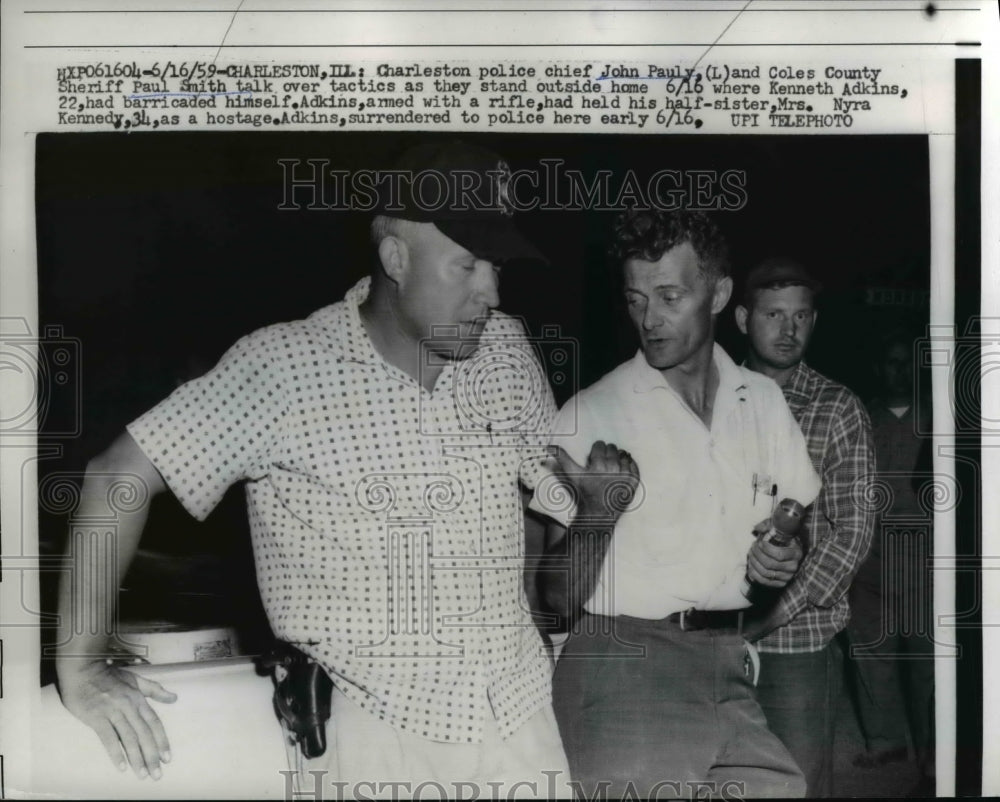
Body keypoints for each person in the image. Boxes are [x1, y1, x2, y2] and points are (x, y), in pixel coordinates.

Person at [54, 141, 572, 798]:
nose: (491, 292)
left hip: (523, 721)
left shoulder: (506, 351)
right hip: (380, 736)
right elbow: (115, 478)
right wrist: (81, 666)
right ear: (396, 259)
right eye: (467, 265)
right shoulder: (285, 369)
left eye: (496, 266)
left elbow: (537, 513)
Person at [531, 209, 821, 799]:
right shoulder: (592, 413)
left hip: (730, 660)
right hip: (624, 667)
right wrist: (596, 514)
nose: (649, 319)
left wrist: (786, 556)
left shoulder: (762, 401)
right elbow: (554, 602)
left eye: (669, 297)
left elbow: (798, 519)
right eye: (636, 300)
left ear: (719, 294)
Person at [734, 258, 876, 797]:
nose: (788, 329)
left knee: (799, 784)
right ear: (743, 318)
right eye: (774, 314)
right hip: (712, 635)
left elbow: (851, 535)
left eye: (800, 316)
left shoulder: (837, 408)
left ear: (814, 321)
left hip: (797, 644)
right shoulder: (714, 399)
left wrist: (769, 617)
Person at [846, 328, 935, 791]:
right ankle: (885, 741)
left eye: (907, 362)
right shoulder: (862, 418)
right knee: (870, 652)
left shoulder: (937, 418)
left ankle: (934, 750)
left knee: (927, 660)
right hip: (871, 555)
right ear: (879, 369)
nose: (900, 371)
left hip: (924, 558)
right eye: (891, 362)